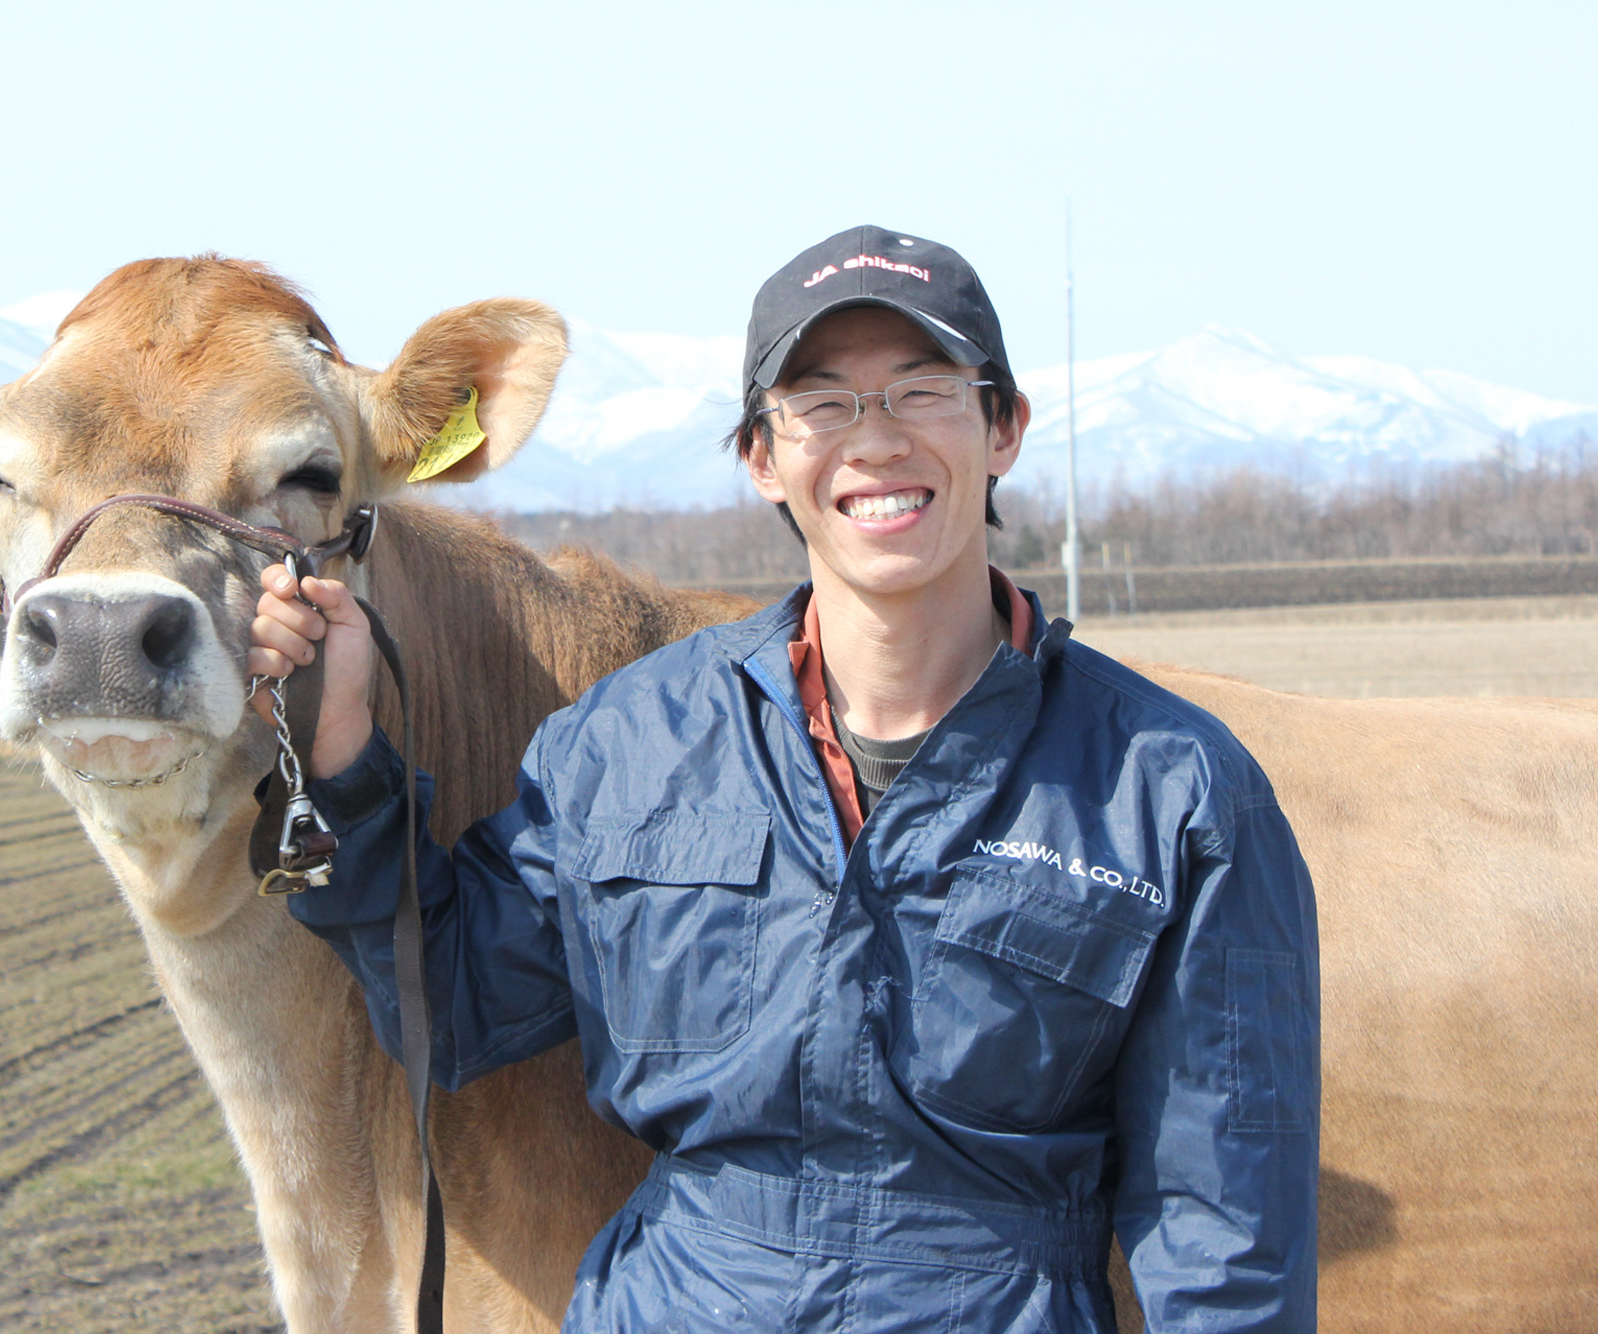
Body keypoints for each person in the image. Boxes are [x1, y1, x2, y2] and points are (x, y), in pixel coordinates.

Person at [249, 225, 1321, 1332]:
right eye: (822, 402)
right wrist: (338, 748)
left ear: (1001, 428)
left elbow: (1225, 1245)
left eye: (921, 390)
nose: (875, 441)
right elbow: (452, 997)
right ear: (761, 455)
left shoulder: (1173, 794)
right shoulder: (631, 742)